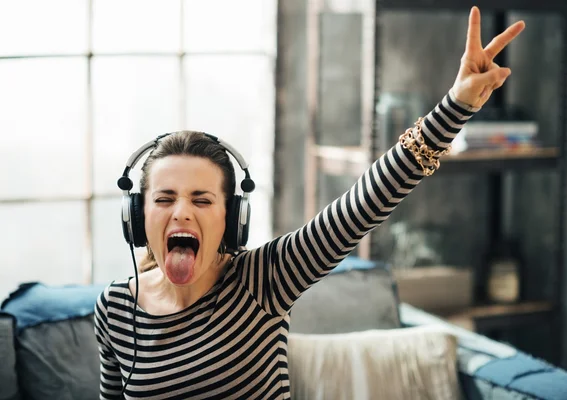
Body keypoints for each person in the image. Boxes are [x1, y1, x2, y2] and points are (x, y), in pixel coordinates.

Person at [94, 6, 525, 400]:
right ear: (137, 214)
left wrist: (456, 107)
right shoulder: (114, 309)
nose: (181, 211)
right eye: (164, 198)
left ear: (230, 219)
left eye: (202, 200)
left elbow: (362, 204)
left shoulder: (263, 281)